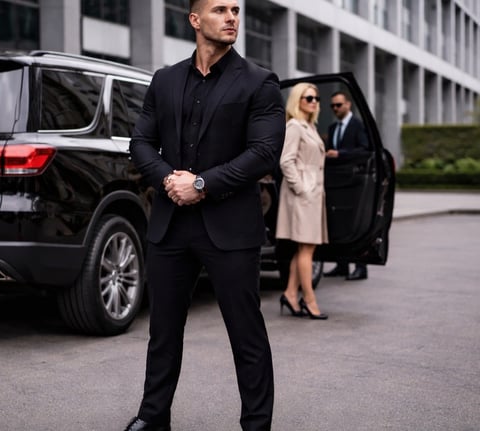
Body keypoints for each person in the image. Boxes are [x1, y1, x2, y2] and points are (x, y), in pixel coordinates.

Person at [126, 0, 285, 430]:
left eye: (236, 9)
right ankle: (153, 417)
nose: (233, 17)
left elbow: (265, 154)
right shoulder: (165, 80)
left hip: (230, 227)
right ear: (195, 20)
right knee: (163, 332)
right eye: (220, 9)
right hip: (171, 224)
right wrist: (168, 181)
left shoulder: (259, 83)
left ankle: (256, 424)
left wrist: (201, 184)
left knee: (246, 334)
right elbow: (140, 142)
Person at [275, 83, 328, 320]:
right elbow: (286, 161)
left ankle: (290, 293)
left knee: (305, 248)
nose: (315, 101)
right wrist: (302, 189)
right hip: (303, 194)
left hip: (313, 194)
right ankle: (310, 300)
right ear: (298, 100)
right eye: (309, 97)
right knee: (306, 249)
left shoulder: (310, 126)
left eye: (316, 98)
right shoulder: (294, 126)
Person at [322, 91, 370, 281]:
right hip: (336, 180)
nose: (335, 108)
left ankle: (361, 266)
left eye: (338, 105)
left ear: (348, 105)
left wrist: (340, 154)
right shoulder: (333, 127)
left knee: (356, 222)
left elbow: (364, 149)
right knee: (339, 221)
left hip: (354, 180)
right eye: (332, 106)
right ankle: (342, 265)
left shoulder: (358, 125)